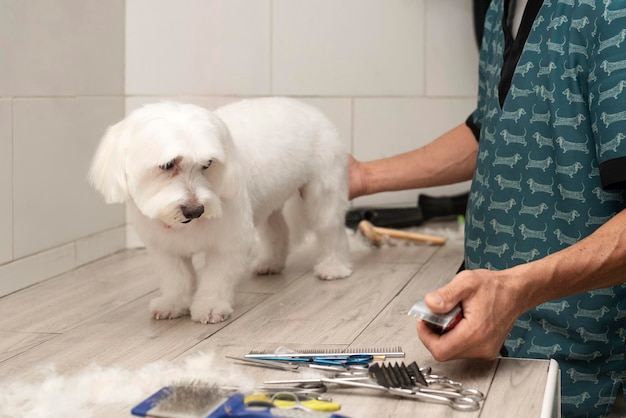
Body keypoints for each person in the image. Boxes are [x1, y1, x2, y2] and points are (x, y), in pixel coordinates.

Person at [349, 1, 626, 416]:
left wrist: (515, 290)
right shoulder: (499, 6)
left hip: (586, 377)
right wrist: (362, 178)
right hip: (496, 354)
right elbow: (496, 125)